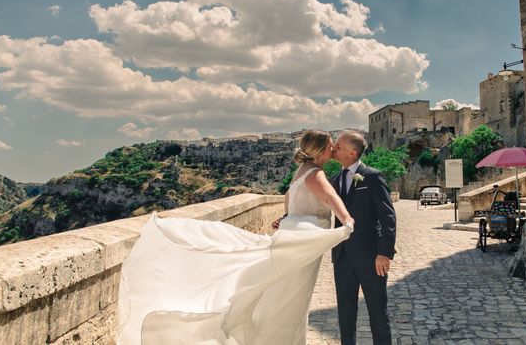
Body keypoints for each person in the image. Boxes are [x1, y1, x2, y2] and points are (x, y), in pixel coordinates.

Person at [116, 129, 354, 345]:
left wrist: (286, 217)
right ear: (322, 149)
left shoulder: (301, 172)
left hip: (293, 232)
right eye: (332, 144)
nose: (334, 148)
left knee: (280, 294)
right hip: (303, 239)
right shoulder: (317, 174)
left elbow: (289, 197)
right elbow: (330, 199)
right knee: (291, 299)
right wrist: (347, 221)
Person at [331, 130, 396, 345]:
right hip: (342, 259)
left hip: (371, 258)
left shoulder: (373, 177)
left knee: (377, 312)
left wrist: (384, 253)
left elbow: (387, 217)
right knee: (345, 315)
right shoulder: (334, 180)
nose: (333, 148)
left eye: (338, 145)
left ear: (352, 152)